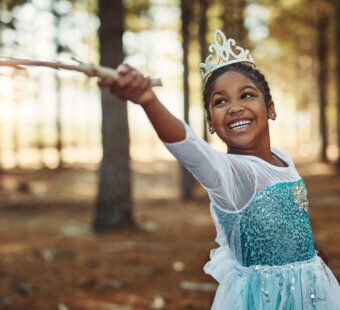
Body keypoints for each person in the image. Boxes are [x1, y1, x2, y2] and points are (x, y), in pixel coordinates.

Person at [98, 29, 340, 309]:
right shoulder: (231, 175)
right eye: (220, 101)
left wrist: (309, 251)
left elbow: (294, 213)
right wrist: (148, 100)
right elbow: (188, 147)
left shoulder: (282, 158)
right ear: (211, 123)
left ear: (270, 108)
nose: (234, 108)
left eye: (246, 95)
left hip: (313, 290)